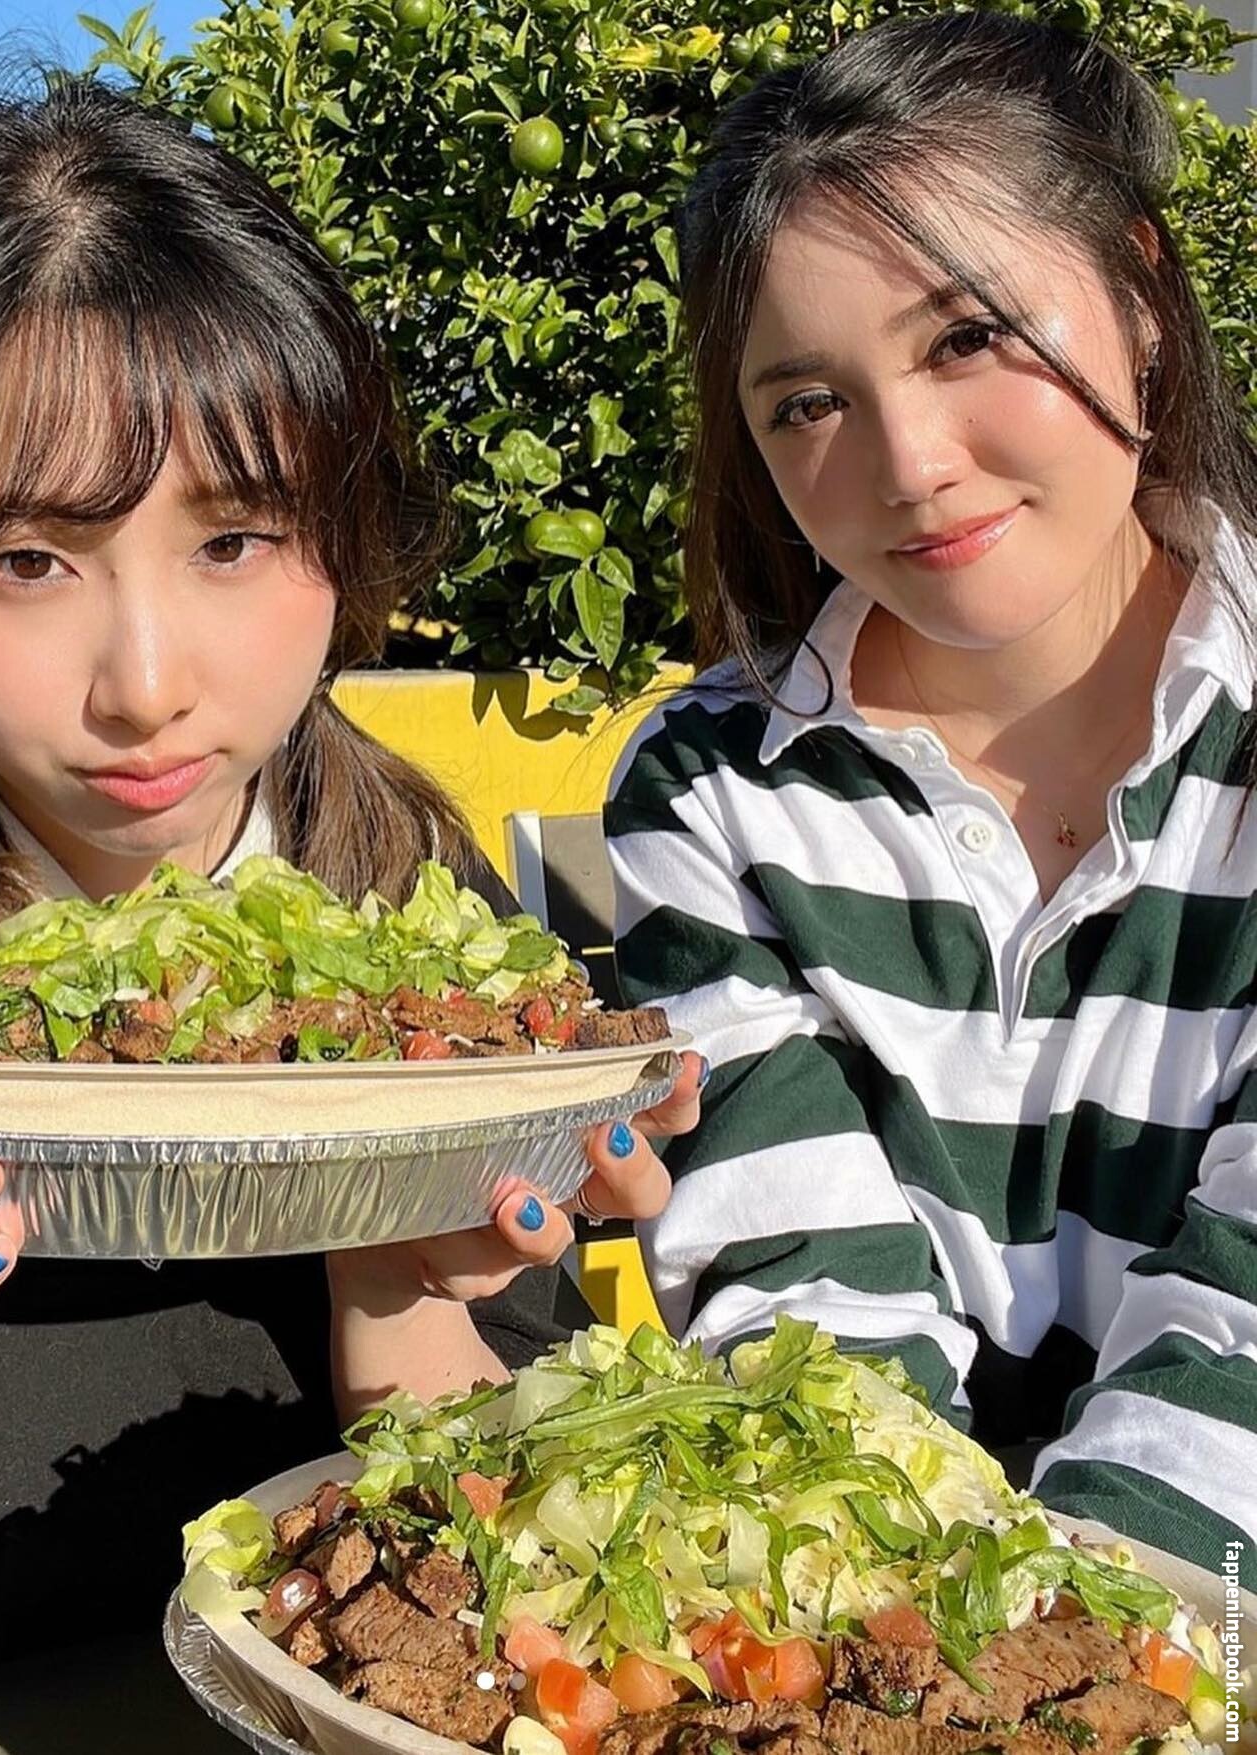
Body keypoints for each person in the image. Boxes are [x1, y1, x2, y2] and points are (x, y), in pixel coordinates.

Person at [0, 81, 700, 1692]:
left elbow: (460, 1612)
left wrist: (400, 1274)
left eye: (232, 542)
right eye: (24, 560)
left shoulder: (412, 907)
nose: (148, 688)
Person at [607, 10, 1257, 1585]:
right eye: (807, 402)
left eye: (968, 338)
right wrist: (924, 1638)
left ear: (1141, 294)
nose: (907, 463)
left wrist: (1083, 1657)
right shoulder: (713, 791)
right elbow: (808, 1315)